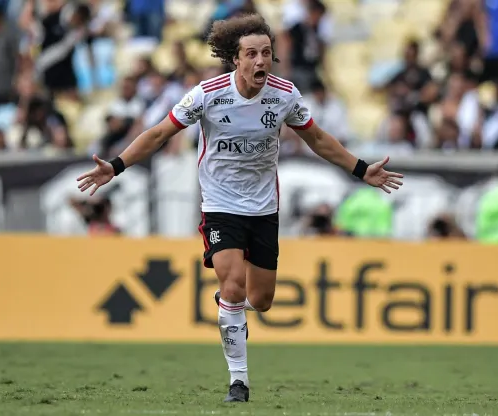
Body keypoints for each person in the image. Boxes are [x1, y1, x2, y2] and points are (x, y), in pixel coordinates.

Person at [75, 14, 404, 403]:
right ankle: (239, 381)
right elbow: (160, 133)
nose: (261, 60)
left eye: (266, 52)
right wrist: (115, 166)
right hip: (219, 205)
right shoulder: (207, 94)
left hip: (264, 208)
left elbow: (317, 137)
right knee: (232, 286)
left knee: (261, 300)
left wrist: (361, 169)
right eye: (252, 53)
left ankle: (229, 309)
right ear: (236, 59)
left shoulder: (284, 95)